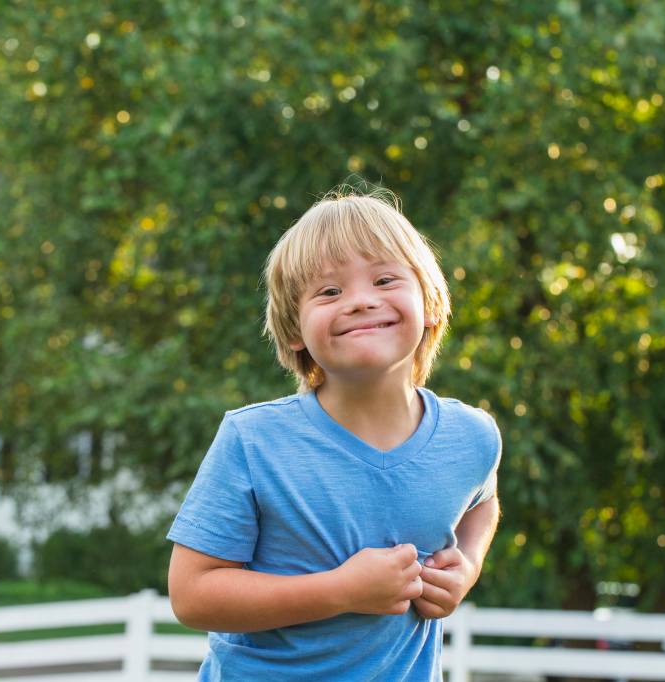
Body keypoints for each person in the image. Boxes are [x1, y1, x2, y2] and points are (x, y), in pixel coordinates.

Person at [166, 188, 502, 680]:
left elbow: (483, 503)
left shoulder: (472, 437)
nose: (362, 301)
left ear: (430, 303)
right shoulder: (253, 441)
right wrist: (341, 591)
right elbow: (192, 596)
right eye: (328, 292)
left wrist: (465, 567)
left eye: (385, 279)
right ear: (294, 330)